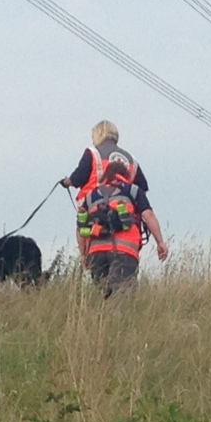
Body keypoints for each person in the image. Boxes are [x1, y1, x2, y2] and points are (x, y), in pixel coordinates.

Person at [75, 161, 168, 298]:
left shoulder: (91, 196)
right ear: (126, 175)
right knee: (121, 299)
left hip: (96, 254)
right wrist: (160, 242)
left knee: (104, 299)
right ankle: (117, 319)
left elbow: (80, 226)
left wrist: (84, 254)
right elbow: (148, 215)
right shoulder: (133, 190)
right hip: (124, 252)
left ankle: (104, 320)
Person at [59, 120, 149, 206]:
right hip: (125, 209)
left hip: (95, 206)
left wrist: (67, 182)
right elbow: (142, 188)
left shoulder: (92, 153)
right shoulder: (131, 159)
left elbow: (78, 178)